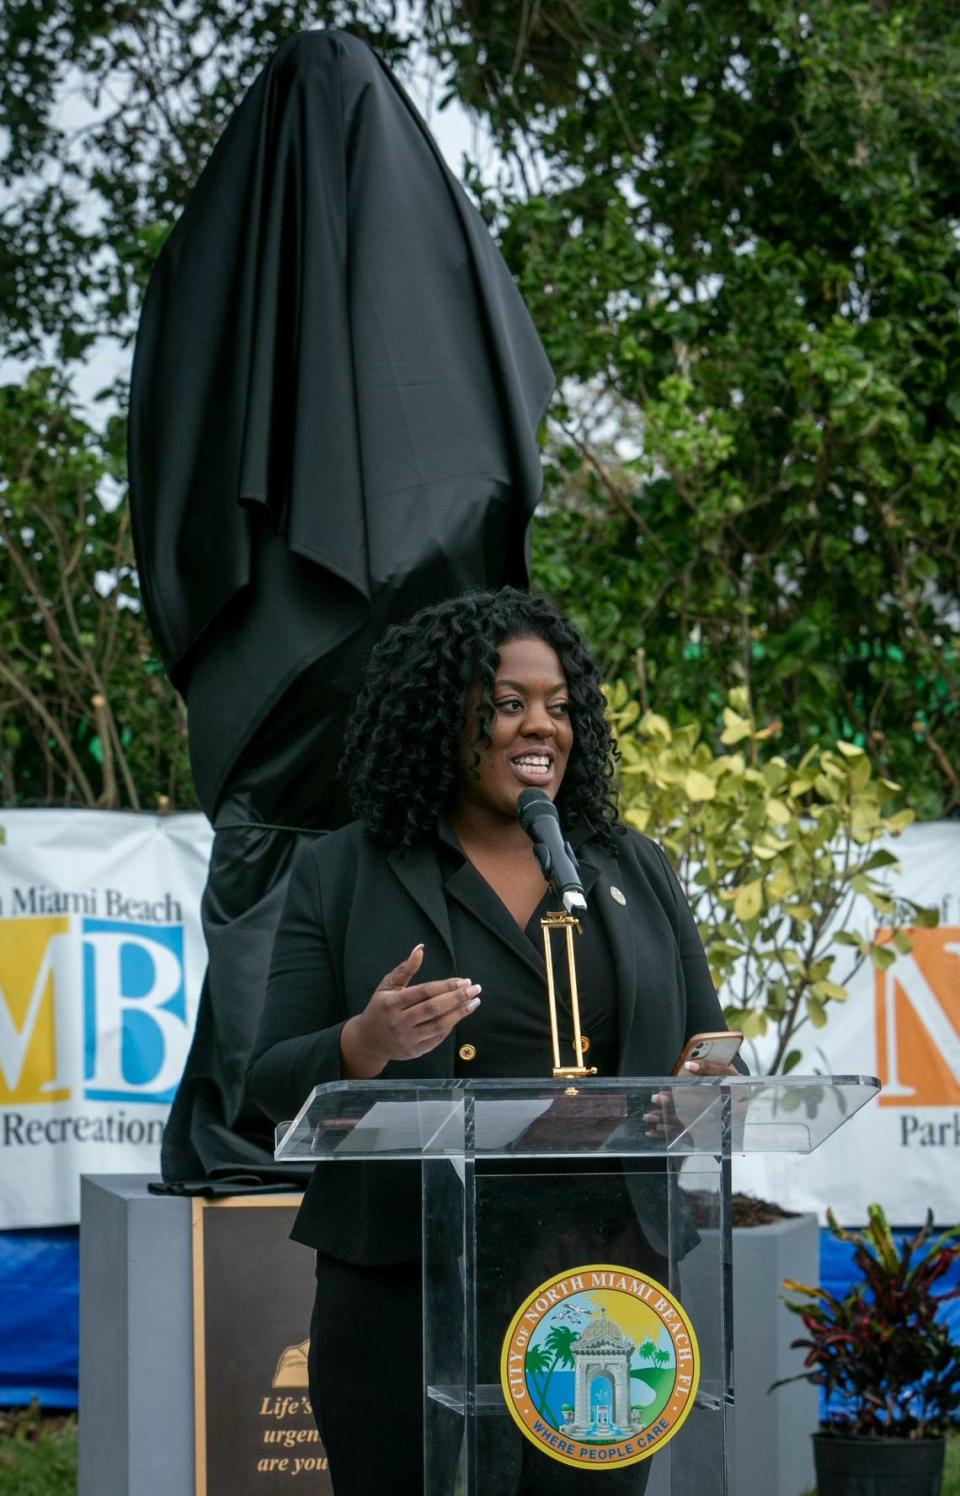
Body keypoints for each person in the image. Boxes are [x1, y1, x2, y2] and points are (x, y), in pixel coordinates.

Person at [247, 587, 742, 1495]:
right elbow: (270, 1077)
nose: (539, 727)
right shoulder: (343, 871)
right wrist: (366, 1039)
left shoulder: (632, 866)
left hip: (600, 1278)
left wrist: (701, 1090)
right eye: (509, 703)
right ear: (445, 715)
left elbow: (706, 1051)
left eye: (558, 706)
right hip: (408, 1271)